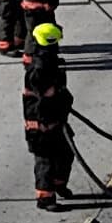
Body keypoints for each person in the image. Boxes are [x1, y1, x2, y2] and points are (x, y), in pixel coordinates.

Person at [23, 21, 74, 211]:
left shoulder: (51, 63)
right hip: (41, 125)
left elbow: (59, 92)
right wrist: (58, 110)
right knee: (46, 161)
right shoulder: (39, 69)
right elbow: (44, 100)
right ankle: (45, 198)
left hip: (56, 120)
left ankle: (58, 184)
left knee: (65, 155)